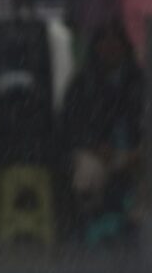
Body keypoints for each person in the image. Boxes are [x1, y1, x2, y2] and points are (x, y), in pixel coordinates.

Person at [61, 21, 144, 243]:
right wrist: (95, 146)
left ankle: (136, 224)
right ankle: (89, 222)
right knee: (88, 174)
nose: (110, 47)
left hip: (135, 154)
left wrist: (137, 150)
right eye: (103, 40)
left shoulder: (139, 83)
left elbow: (149, 124)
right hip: (95, 153)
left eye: (115, 40)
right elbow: (71, 127)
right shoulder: (82, 84)